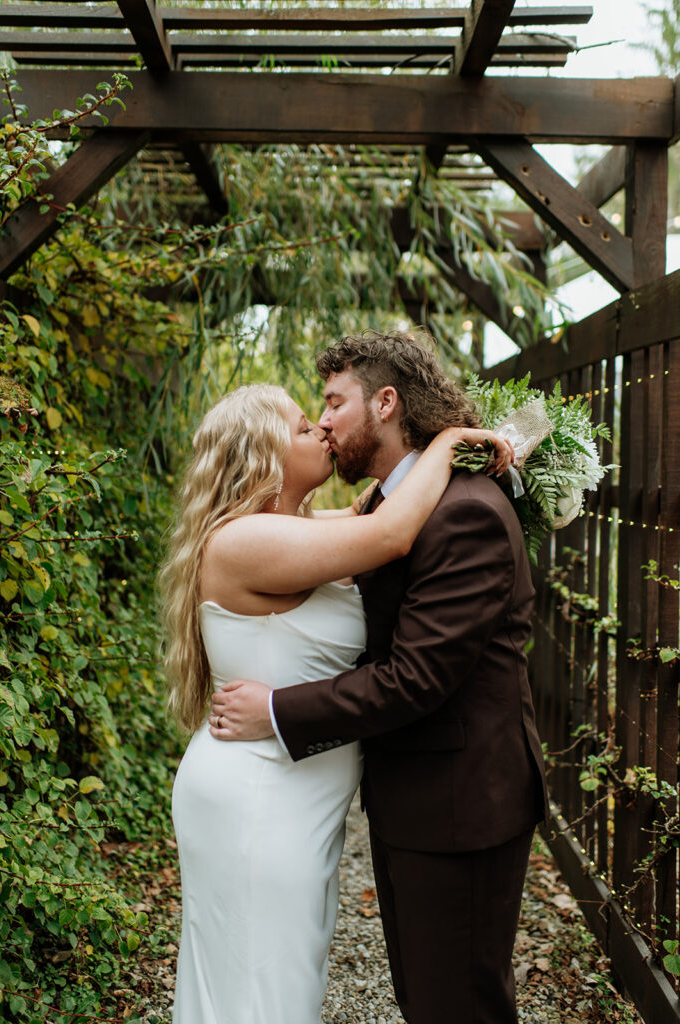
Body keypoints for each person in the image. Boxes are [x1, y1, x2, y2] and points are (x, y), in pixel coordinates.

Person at [210, 331, 549, 1024]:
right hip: (416, 798)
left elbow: (414, 678)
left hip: (462, 807)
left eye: (333, 403)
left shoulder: (464, 514)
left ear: (386, 402)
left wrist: (277, 710)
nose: (323, 421)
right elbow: (375, 535)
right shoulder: (392, 505)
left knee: (457, 1006)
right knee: (426, 999)